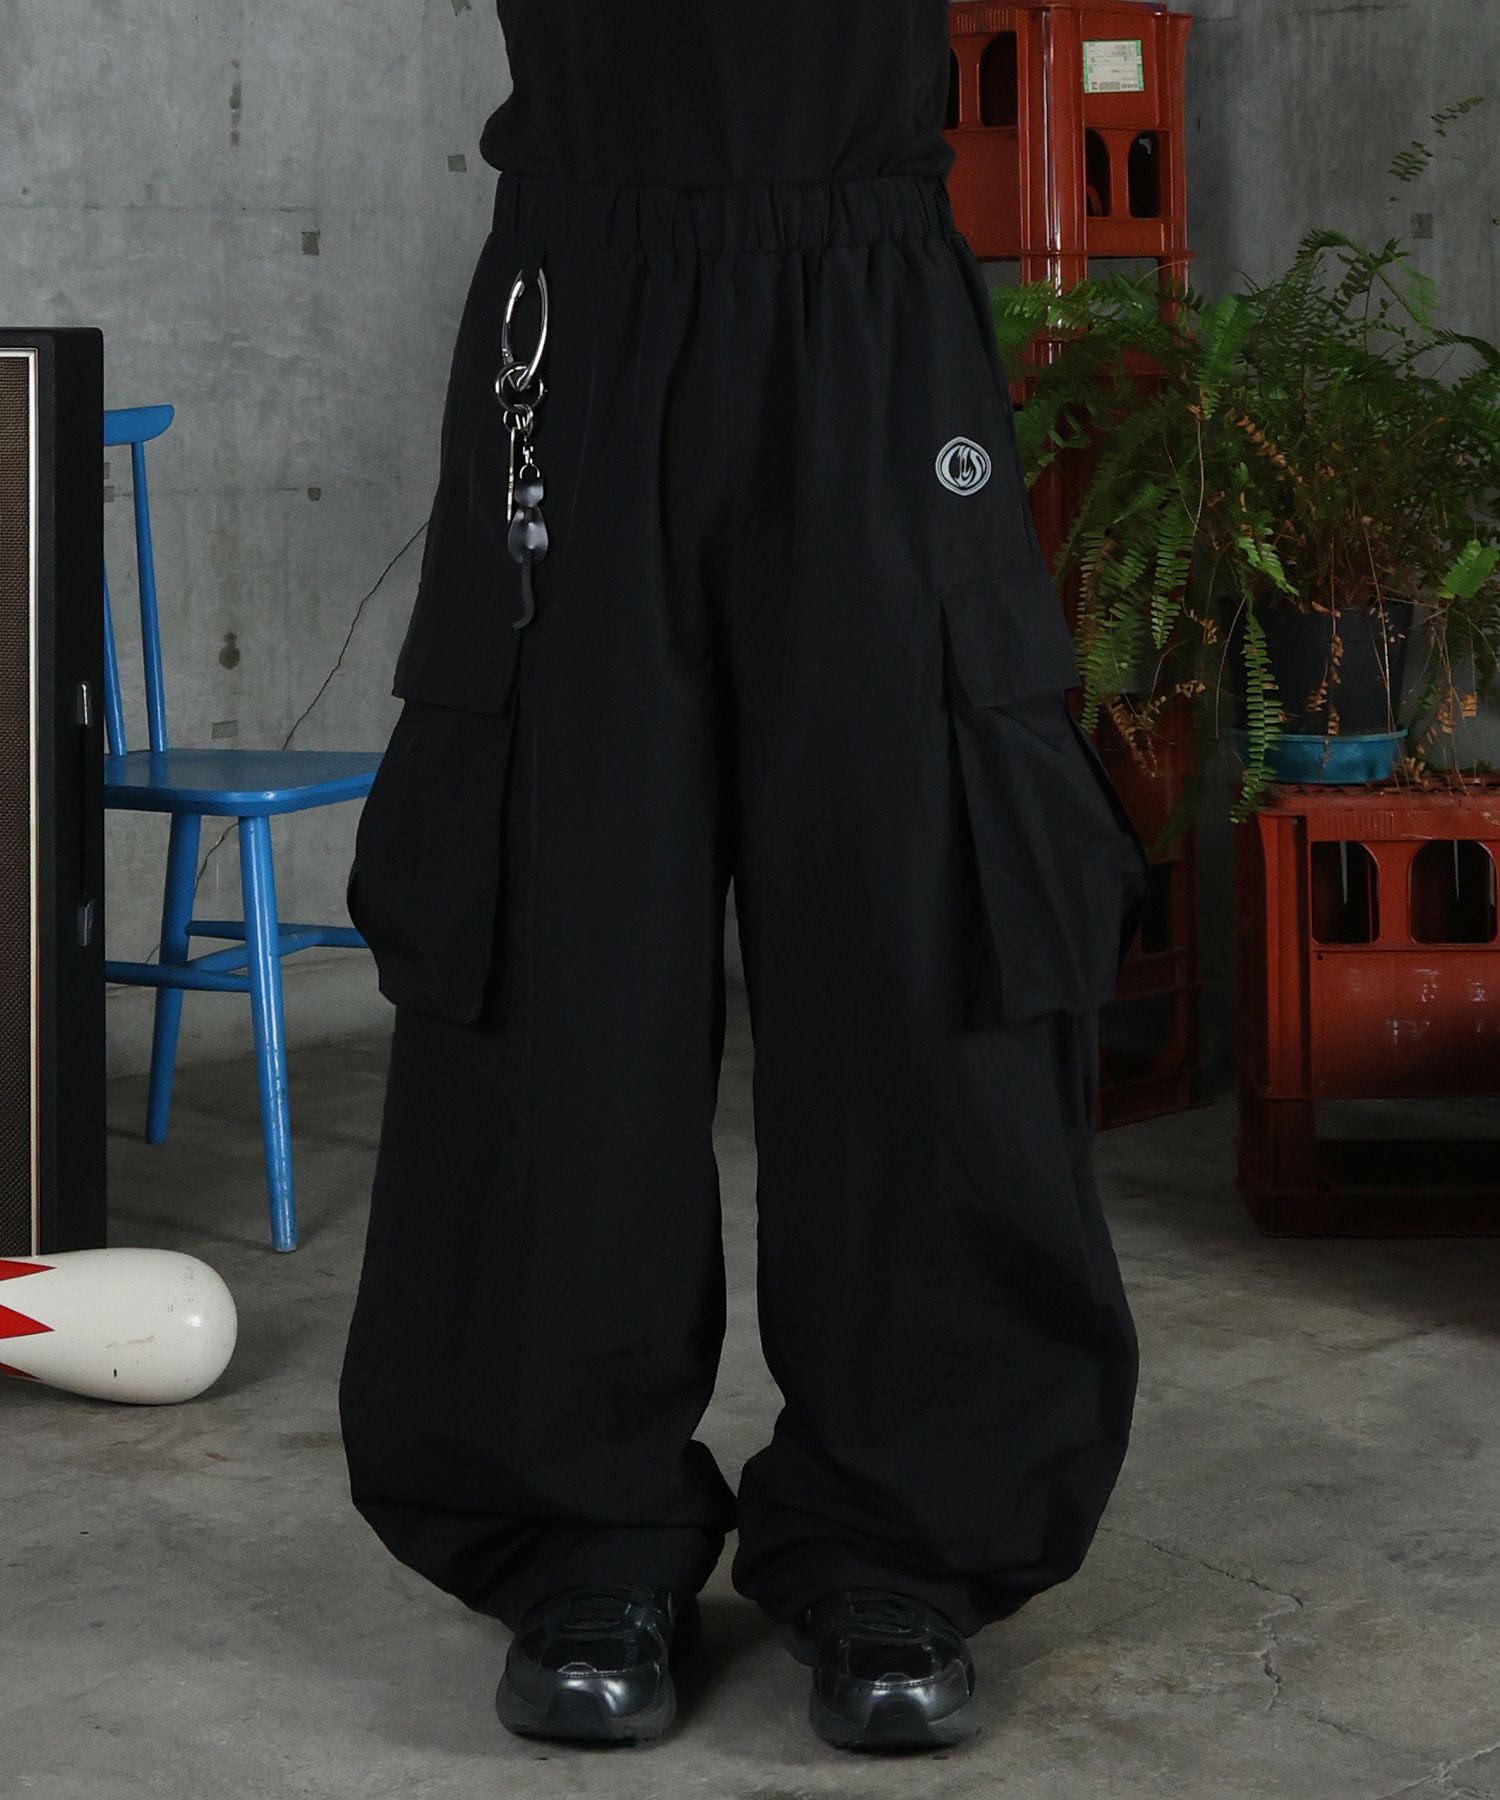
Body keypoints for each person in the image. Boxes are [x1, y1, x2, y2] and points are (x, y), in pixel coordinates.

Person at [338, 0, 1151, 1753]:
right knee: (559, 924)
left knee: (919, 910)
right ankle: (577, 1531)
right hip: (580, 300)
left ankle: (905, 1539)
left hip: (869, 306)